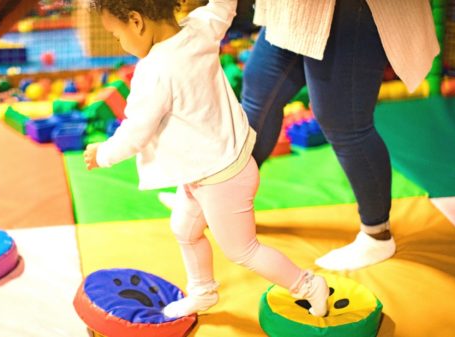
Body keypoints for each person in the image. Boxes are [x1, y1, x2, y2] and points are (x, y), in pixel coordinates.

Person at [84, 0, 330, 318]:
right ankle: (202, 292)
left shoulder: (154, 72)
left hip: (221, 178)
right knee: (185, 230)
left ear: (136, 21)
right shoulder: (200, 27)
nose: (121, 44)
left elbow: (135, 133)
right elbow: (224, 7)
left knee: (243, 250)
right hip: (210, 169)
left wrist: (101, 154)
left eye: (117, 35)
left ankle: (308, 285)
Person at [241, 0, 439, 271]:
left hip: (349, 7)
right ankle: (230, 204)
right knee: (258, 93)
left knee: (345, 121)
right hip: (293, 7)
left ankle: (377, 234)